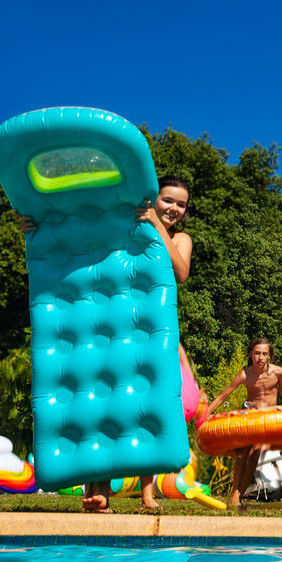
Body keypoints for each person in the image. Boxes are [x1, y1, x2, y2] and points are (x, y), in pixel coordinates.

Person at [77, 175, 197, 512]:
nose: (174, 208)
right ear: (152, 198)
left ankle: (147, 493)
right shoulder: (126, 232)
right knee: (108, 403)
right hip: (116, 325)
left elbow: (181, 271)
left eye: (181, 204)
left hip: (153, 330)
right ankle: (99, 489)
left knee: (147, 409)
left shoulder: (180, 238)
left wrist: (157, 223)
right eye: (167, 200)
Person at [203, 338, 282, 510]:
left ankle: (238, 495)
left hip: (266, 419)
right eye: (257, 353)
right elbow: (224, 396)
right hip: (249, 415)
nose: (260, 357)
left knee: (256, 454)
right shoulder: (245, 374)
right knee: (243, 453)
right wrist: (206, 414)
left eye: (264, 354)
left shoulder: (278, 372)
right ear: (250, 354)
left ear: (269, 356)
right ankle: (234, 496)